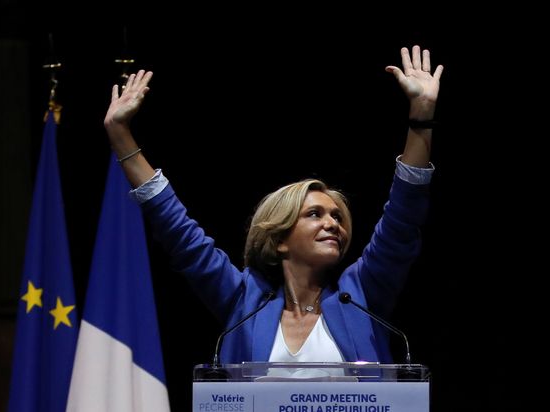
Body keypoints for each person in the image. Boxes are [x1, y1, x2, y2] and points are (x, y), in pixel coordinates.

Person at [103, 45, 443, 366]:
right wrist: (120, 135)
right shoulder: (244, 302)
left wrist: (421, 118)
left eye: (338, 217)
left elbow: (402, 218)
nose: (333, 224)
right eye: (315, 214)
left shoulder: (362, 294)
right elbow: (179, 234)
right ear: (279, 239)